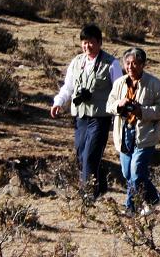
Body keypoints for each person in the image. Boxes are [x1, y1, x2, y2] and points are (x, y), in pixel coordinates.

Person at [50, 24, 122, 200]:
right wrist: (59, 102)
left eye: (90, 42)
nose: (87, 46)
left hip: (100, 117)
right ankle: (100, 184)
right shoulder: (76, 62)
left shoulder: (111, 64)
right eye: (84, 42)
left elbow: (119, 89)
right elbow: (68, 87)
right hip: (80, 116)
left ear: (99, 42)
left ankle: (87, 194)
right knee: (81, 154)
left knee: (91, 154)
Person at [107, 47, 160, 216]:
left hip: (145, 134)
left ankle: (136, 205)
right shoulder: (119, 83)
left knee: (136, 172)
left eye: (135, 63)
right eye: (127, 63)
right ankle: (148, 201)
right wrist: (118, 105)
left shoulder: (154, 84)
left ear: (143, 64)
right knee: (128, 173)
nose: (131, 67)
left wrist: (141, 111)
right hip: (123, 133)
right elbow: (109, 106)